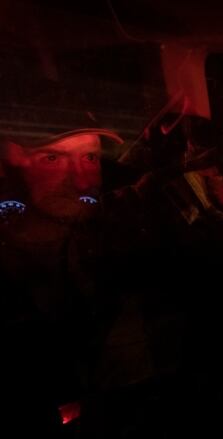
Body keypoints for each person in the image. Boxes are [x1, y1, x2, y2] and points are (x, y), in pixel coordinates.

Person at [0, 107, 123, 434]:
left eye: (91, 158)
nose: (81, 179)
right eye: (52, 159)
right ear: (13, 158)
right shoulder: (11, 264)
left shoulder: (109, 240)